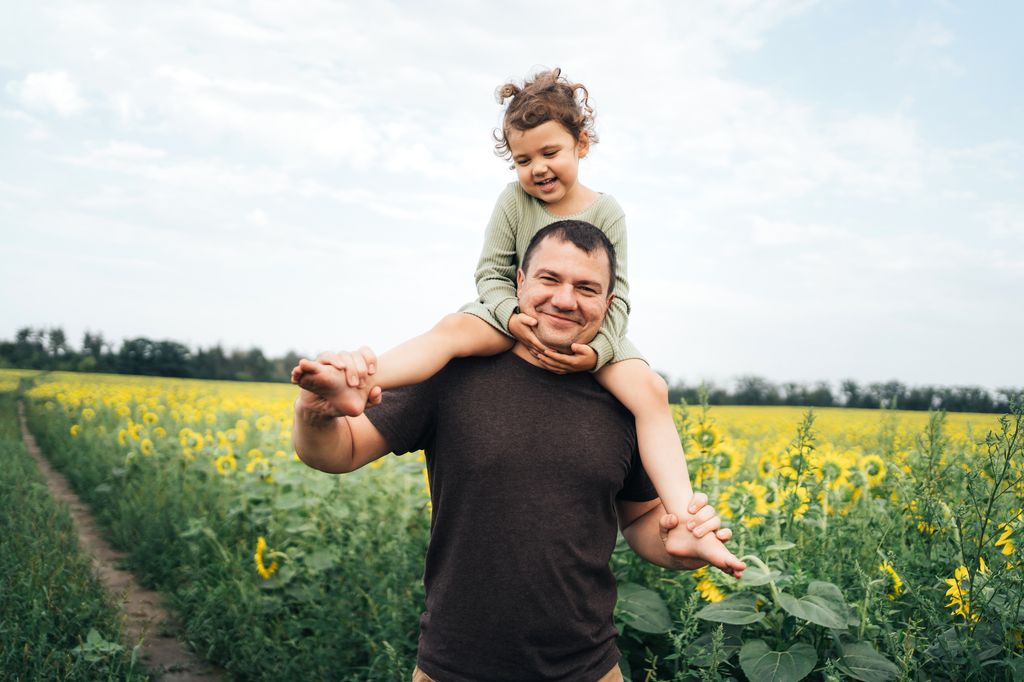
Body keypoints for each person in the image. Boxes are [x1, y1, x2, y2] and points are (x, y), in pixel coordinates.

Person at [292, 221, 746, 682]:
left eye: (586, 288)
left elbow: (640, 518)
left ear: (610, 306)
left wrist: (674, 544)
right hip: (453, 667)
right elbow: (340, 451)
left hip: (588, 669)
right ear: (519, 283)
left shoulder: (625, 398)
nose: (565, 300)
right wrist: (314, 413)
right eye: (550, 279)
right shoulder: (454, 370)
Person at [303, 67, 712, 560]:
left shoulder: (608, 211)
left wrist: (597, 353)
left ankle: (687, 516)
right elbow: (492, 272)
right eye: (523, 159)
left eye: (550, 153)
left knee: (652, 390)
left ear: (582, 144)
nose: (537, 168)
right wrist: (510, 316)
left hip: (594, 334)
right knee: (453, 329)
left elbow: (616, 298)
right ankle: (362, 377)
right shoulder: (513, 201)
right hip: (510, 315)